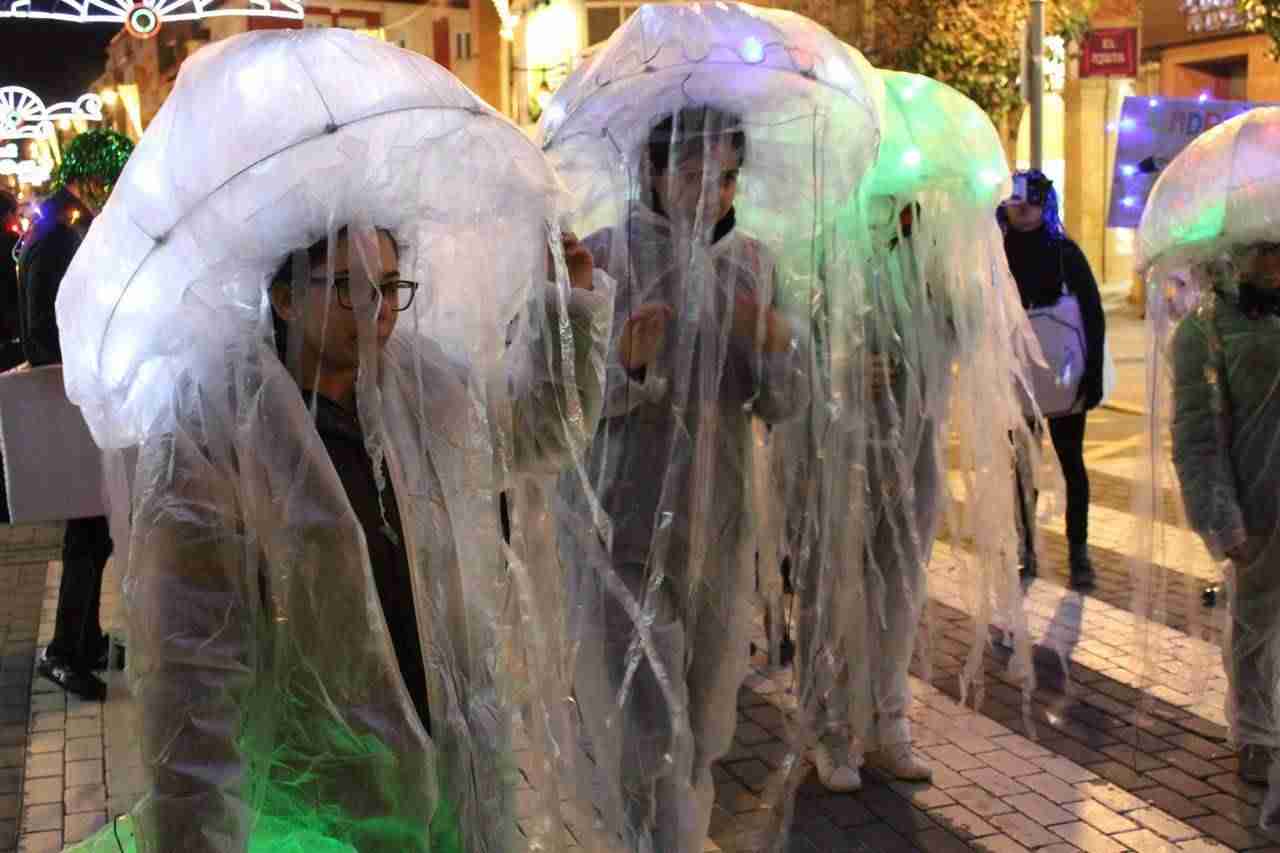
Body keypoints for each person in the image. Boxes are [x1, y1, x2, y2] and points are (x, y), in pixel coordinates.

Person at [53, 30, 611, 853]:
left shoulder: (427, 389)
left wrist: (576, 313)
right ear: (282, 295)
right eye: (351, 289)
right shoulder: (213, 437)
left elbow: (532, 438)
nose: (380, 311)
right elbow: (190, 683)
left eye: (391, 286)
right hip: (313, 805)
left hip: (452, 768)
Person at [561, 106, 807, 853]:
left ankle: (677, 831)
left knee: (703, 718)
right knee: (646, 722)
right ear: (656, 172)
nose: (716, 192)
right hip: (624, 529)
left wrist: (770, 342)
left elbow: (784, 402)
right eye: (698, 174)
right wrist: (626, 366)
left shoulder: (756, 267)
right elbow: (559, 407)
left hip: (723, 522)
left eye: (729, 176)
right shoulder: (603, 259)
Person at [22, 130, 134, 701]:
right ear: (88, 177)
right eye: (105, 182)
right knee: (87, 532)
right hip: (73, 403)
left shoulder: (61, 231)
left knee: (95, 528)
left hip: (83, 399)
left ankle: (84, 637)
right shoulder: (53, 239)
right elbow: (43, 332)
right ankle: (66, 650)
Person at [1170, 243, 1280, 785]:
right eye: (1264, 250)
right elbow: (1197, 434)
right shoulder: (1204, 329)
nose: (1276, 259)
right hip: (1259, 503)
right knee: (1256, 621)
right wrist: (1220, 516)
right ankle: (1257, 733)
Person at [1002, 169, 1105, 589]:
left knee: (1070, 462)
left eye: (1029, 203)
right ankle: (1025, 547)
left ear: (1044, 206)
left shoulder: (1065, 252)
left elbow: (1094, 315)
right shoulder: (997, 253)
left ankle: (1078, 551)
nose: (1021, 210)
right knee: (1021, 466)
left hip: (1065, 379)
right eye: (1015, 203)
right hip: (1018, 376)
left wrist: (1094, 373)